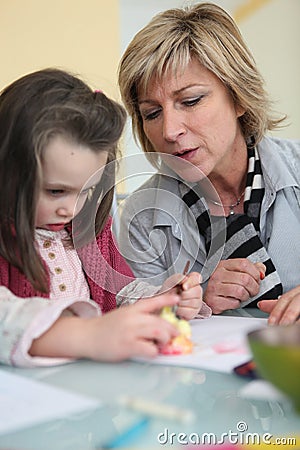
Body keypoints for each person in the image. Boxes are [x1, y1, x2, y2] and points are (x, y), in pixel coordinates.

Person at [0, 68, 206, 367]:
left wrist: (163, 300)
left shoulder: (89, 231)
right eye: (56, 191)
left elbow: (118, 293)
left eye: (87, 191)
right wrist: (87, 334)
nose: (71, 209)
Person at [117, 2, 300, 325]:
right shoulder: (140, 218)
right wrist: (192, 301)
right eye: (152, 113)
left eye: (190, 101)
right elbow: (136, 323)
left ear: (239, 96)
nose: (170, 131)